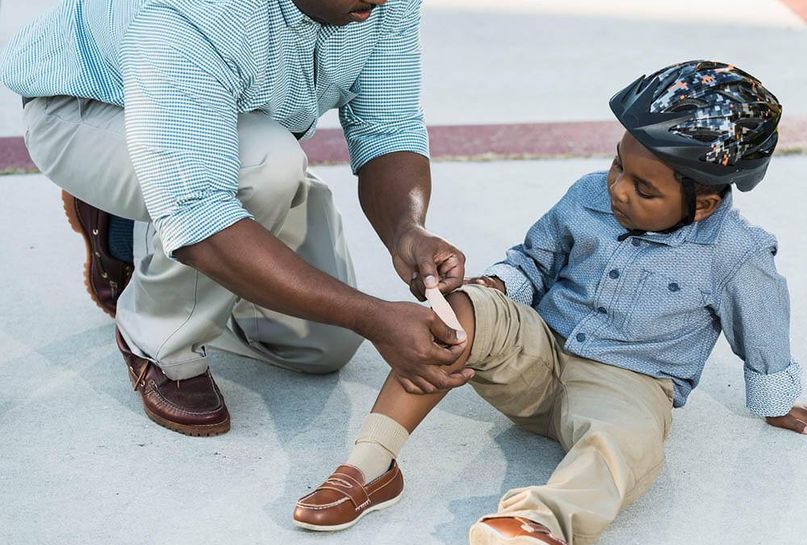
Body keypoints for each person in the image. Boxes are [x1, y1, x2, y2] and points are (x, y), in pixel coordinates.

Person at [290, 61, 807, 545]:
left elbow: (762, 323)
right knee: (455, 311)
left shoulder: (736, 252)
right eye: (618, 165)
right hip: (535, 357)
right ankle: (369, 465)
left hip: (627, 385)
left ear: (703, 203)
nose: (618, 189)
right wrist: (497, 288)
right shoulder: (588, 195)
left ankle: (539, 522)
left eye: (645, 189)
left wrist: (776, 398)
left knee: (626, 446)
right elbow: (535, 259)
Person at [0, 0, 473, 437]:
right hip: (90, 108)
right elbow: (201, 212)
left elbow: (388, 125)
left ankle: (132, 231)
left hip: (231, 122)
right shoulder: (197, 11)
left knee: (322, 345)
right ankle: (156, 339)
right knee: (267, 165)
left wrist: (407, 230)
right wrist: (372, 316)